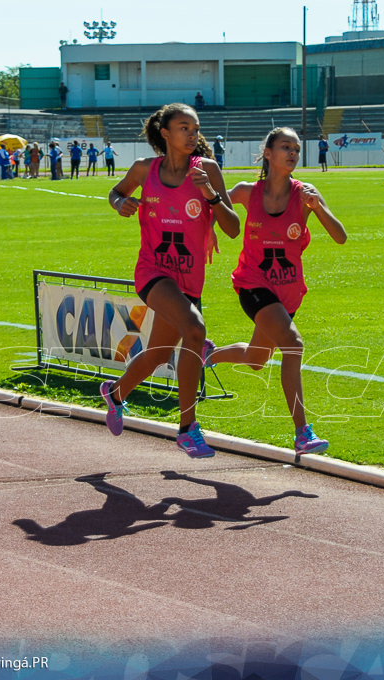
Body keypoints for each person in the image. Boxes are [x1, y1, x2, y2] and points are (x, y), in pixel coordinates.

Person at [101, 102, 240, 458]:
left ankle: (115, 395)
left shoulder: (207, 169)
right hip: (152, 272)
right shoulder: (144, 169)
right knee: (195, 330)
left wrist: (210, 195)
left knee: (158, 354)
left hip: (189, 279)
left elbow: (233, 228)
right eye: (184, 129)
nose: (193, 135)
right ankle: (187, 428)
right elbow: (116, 192)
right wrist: (121, 204)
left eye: (195, 129)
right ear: (165, 133)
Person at [206, 127, 347, 454]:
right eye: (285, 147)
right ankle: (302, 431)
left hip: (289, 293)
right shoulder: (246, 191)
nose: (293, 153)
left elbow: (340, 236)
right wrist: (209, 232)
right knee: (293, 345)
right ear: (267, 153)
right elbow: (217, 207)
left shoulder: (306, 194)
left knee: (256, 359)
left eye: (296, 148)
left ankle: (207, 356)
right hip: (253, 284)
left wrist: (318, 207)